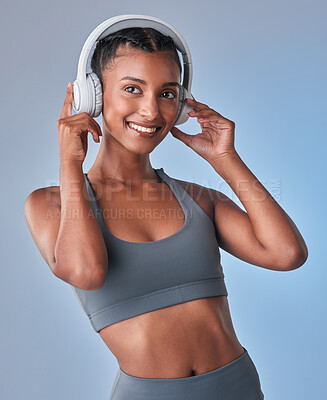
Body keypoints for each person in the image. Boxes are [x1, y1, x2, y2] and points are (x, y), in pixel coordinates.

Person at [24, 25, 308, 400]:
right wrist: (70, 166)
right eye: (132, 88)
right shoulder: (51, 203)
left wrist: (225, 159)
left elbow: (287, 254)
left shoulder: (199, 199)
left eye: (167, 94)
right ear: (93, 96)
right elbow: (86, 272)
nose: (151, 110)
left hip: (238, 386)